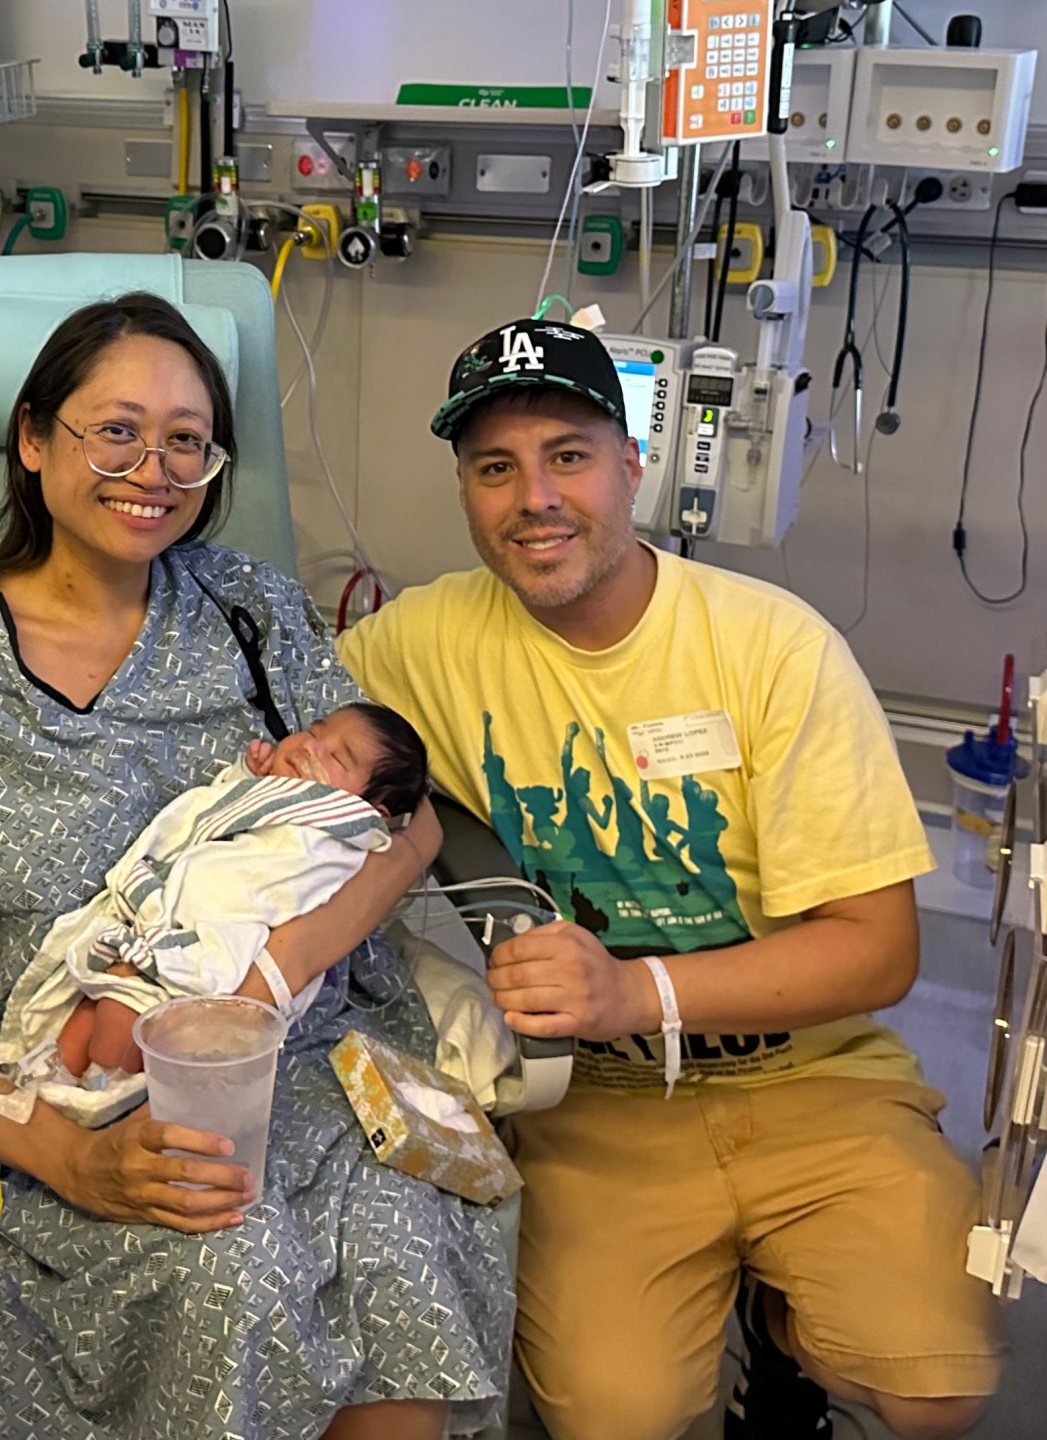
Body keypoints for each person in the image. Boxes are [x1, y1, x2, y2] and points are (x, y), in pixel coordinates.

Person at [0, 293, 512, 1440]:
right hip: (79, 1085)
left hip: (297, 1052)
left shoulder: (252, 614)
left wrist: (275, 972)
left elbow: (401, 825)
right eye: (115, 430)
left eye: (186, 440)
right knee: (231, 1263)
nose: (151, 467)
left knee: (400, 1233)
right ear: (33, 438)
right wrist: (53, 1149)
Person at [338, 320, 1006, 1440]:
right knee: (613, 1418)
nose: (534, 498)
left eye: (568, 456)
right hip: (593, 1103)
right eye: (494, 468)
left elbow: (880, 951)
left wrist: (636, 993)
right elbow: (282, 738)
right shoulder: (421, 646)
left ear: (632, 466)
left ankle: (787, 1337)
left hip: (810, 1076)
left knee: (935, 1393)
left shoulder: (769, 648)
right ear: (464, 491)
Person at [13, 701, 434, 1087]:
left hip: (216, 944)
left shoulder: (337, 835)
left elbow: (272, 881)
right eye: (314, 732)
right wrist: (248, 779)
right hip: (159, 918)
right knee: (91, 1004)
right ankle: (44, 1085)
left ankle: (102, 1088)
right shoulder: (284, 797)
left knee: (122, 1011)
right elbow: (219, 815)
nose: (310, 747)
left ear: (369, 810)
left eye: (336, 756)